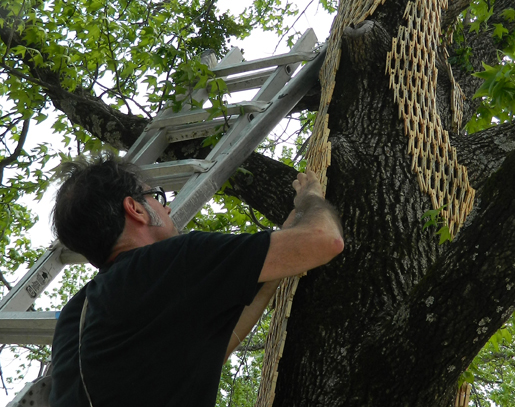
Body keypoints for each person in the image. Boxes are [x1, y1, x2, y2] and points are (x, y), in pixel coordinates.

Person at [49, 153, 344, 407]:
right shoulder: (171, 261)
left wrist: (282, 255)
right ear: (136, 208)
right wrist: (311, 198)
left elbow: (209, 352)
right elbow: (325, 241)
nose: (166, 208)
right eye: (157, 196)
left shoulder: (76, 317)